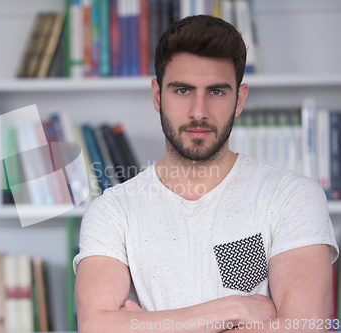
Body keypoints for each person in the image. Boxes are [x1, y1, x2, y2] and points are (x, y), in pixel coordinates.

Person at [73, 15, 339, 333]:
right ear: (157, 96)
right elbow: (96, 326)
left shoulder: (292, 197)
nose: (199, 111)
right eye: (183, 90)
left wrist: (144, 324)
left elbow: (305, 327)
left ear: (239, 99)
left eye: (216, 92)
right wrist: (232, 309)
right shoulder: (113, 210)